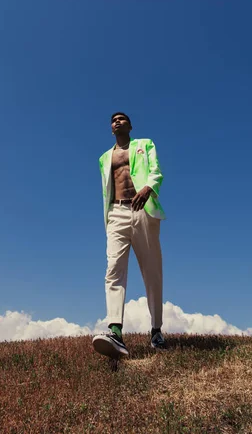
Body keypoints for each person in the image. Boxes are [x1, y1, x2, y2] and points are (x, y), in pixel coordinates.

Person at [92, 112, 166, 358]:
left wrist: (148, 188)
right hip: (116, 213)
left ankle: (156, 330)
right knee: (113, 268)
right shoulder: (104, 158)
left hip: (142, 209)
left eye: (122, 118)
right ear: (110, 128)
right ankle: (116, 332)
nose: (117, 121)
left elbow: (156, 170)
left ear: (130, 125)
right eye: (113, 119)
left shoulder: (145, 144)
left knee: (152, 270)